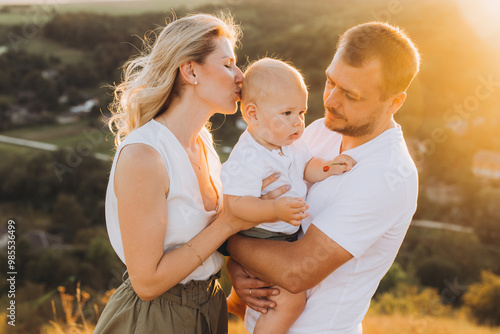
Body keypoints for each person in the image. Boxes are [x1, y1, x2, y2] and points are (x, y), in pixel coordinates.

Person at [226, 21, 421, 333]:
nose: (330, 100)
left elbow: (295, 272)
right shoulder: (320, 130)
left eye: (351, 95)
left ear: (394, 103)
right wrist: (237, 271)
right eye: (331, 82)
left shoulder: (387, 175)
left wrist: (227, 238)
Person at [94, 13, 272, 334]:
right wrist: (230, 221)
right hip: (155, 319)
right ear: (190, 70)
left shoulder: (202, 141)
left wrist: (235, 274)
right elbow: (147, 283)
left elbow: (203, 238)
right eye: (228, 63)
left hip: (209, 309)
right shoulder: (144, 156)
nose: (240, 76)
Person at [221, 58, 356, 334]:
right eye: (286, 113)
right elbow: (236, 205)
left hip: (281, 237)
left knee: (269, 293)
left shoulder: (290, 144)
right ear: (253, 115)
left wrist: (329, 167)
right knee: (290, 300)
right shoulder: (248, 157)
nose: (298, 122)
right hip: (259, 237)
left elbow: (307, 166)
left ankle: (236, 302)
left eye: (301, 112)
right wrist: (274, 210)